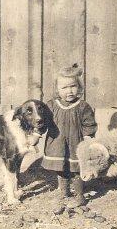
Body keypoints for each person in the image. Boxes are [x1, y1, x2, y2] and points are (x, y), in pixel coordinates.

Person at [41, 64, 97, 207]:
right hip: (57, 143)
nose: (69, 91)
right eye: (64, 88)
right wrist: (37, 133)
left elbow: (89, 123)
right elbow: (43, 121)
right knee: (61, 168)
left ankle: (79, 194)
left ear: (79, 87)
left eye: (73, 86)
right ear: (57, 89)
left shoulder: (83, 106)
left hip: (75, 143)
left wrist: (88, 137)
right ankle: (64, 192)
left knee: (77, 169)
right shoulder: (51, 105)